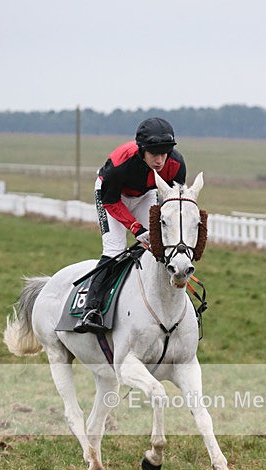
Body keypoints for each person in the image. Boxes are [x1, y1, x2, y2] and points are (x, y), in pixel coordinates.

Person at [75, 118, 186, 333]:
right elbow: (110, 201)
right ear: (141, 150)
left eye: (165, 153)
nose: (160, 160)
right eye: (154, 154)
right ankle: (91, 308)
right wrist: (136, 228)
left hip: (146, 195)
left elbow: (174, 203)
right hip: (112, 196)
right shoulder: (120, 163)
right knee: (114, 248)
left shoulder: (177, 165)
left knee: (157, 248)